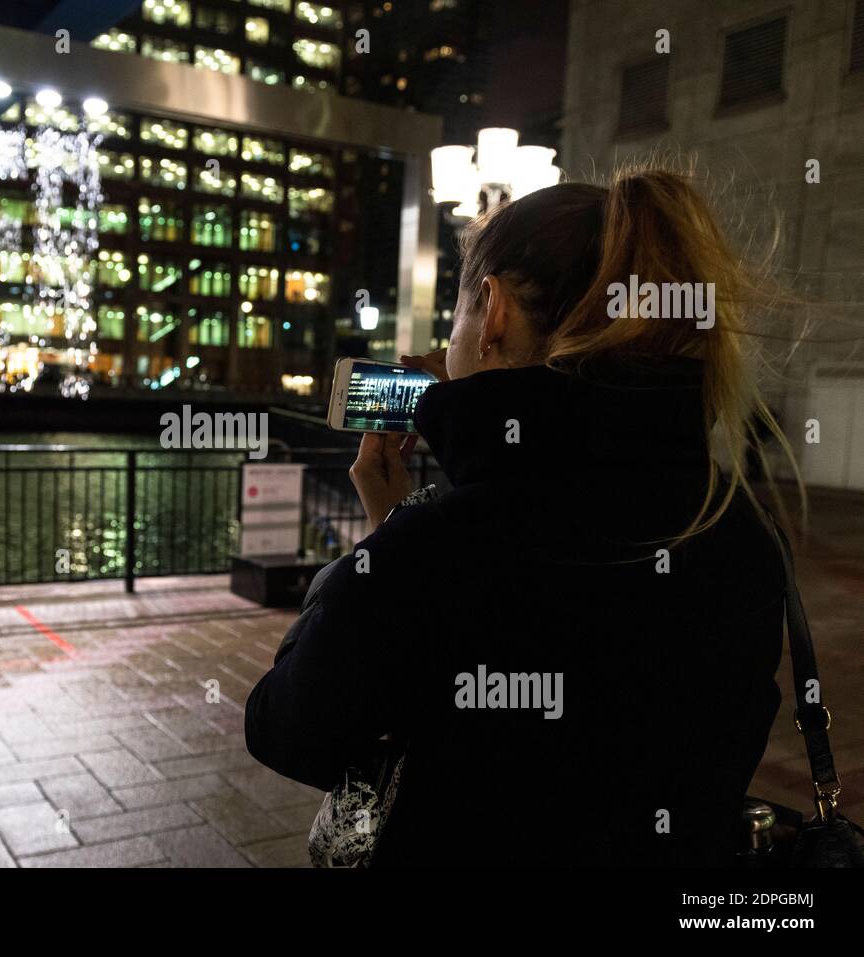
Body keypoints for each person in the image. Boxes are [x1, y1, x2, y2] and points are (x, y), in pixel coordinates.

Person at [244, 168, 801, 866]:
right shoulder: (742, 535)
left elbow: (285, 726)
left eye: (456, 315)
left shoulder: (433, 553)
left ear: (493, 311)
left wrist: (390, 541)